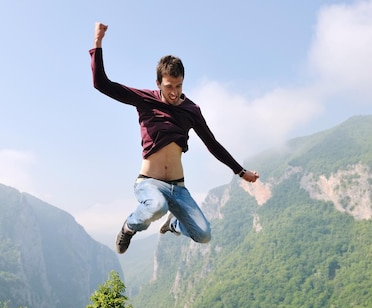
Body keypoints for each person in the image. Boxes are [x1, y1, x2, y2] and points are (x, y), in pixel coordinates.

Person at [90, 22, 259, 254]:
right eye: (169, 86)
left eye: (179, 86)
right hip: (149, 183)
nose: (174, 92)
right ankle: (129, 226)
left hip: (178, 188)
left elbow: (212, 144)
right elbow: (102, 84)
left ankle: (174, 224)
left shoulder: (191, 110)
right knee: (156, 206)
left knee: (204, 235)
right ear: (158, 83)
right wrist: (98, 43)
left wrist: (240, 171)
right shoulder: (145, 99)